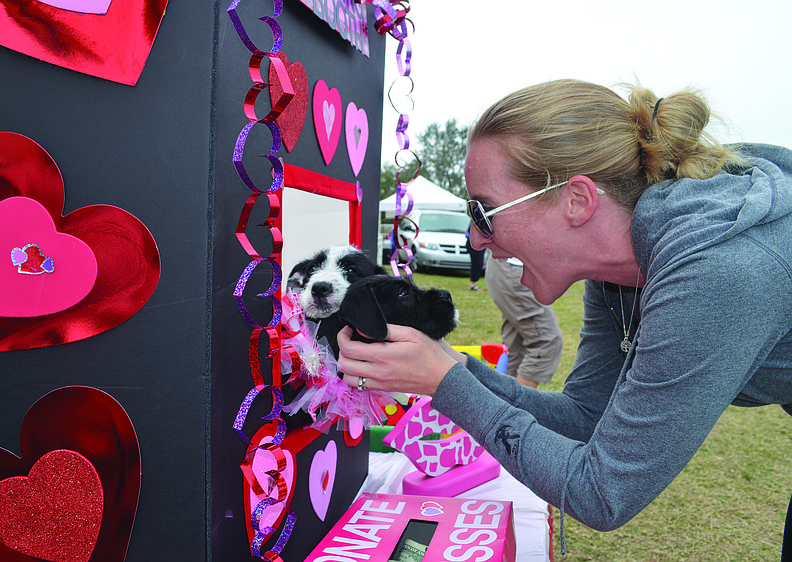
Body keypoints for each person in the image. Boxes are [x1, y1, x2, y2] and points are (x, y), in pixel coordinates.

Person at [337, 79, 792, 556]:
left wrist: (446, 383)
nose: (475, 239)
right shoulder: (618, 271)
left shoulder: (715, 268)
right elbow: (583, 420)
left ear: (577, 200)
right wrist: (453, 366)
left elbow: (603, 492)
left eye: (484, 212)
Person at [485, 255, 562, 388]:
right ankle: (513, 407)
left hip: (508, 267)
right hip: (513, 269)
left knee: (515, 348)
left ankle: (499, 403)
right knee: (546, 342)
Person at [465, 225, 485, 290]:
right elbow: (467, 234)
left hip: (480, 246)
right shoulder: (475, 222)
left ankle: (474, 283)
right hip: (474, 246)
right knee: (476, 264)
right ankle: (473, 285)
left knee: (479, 264)